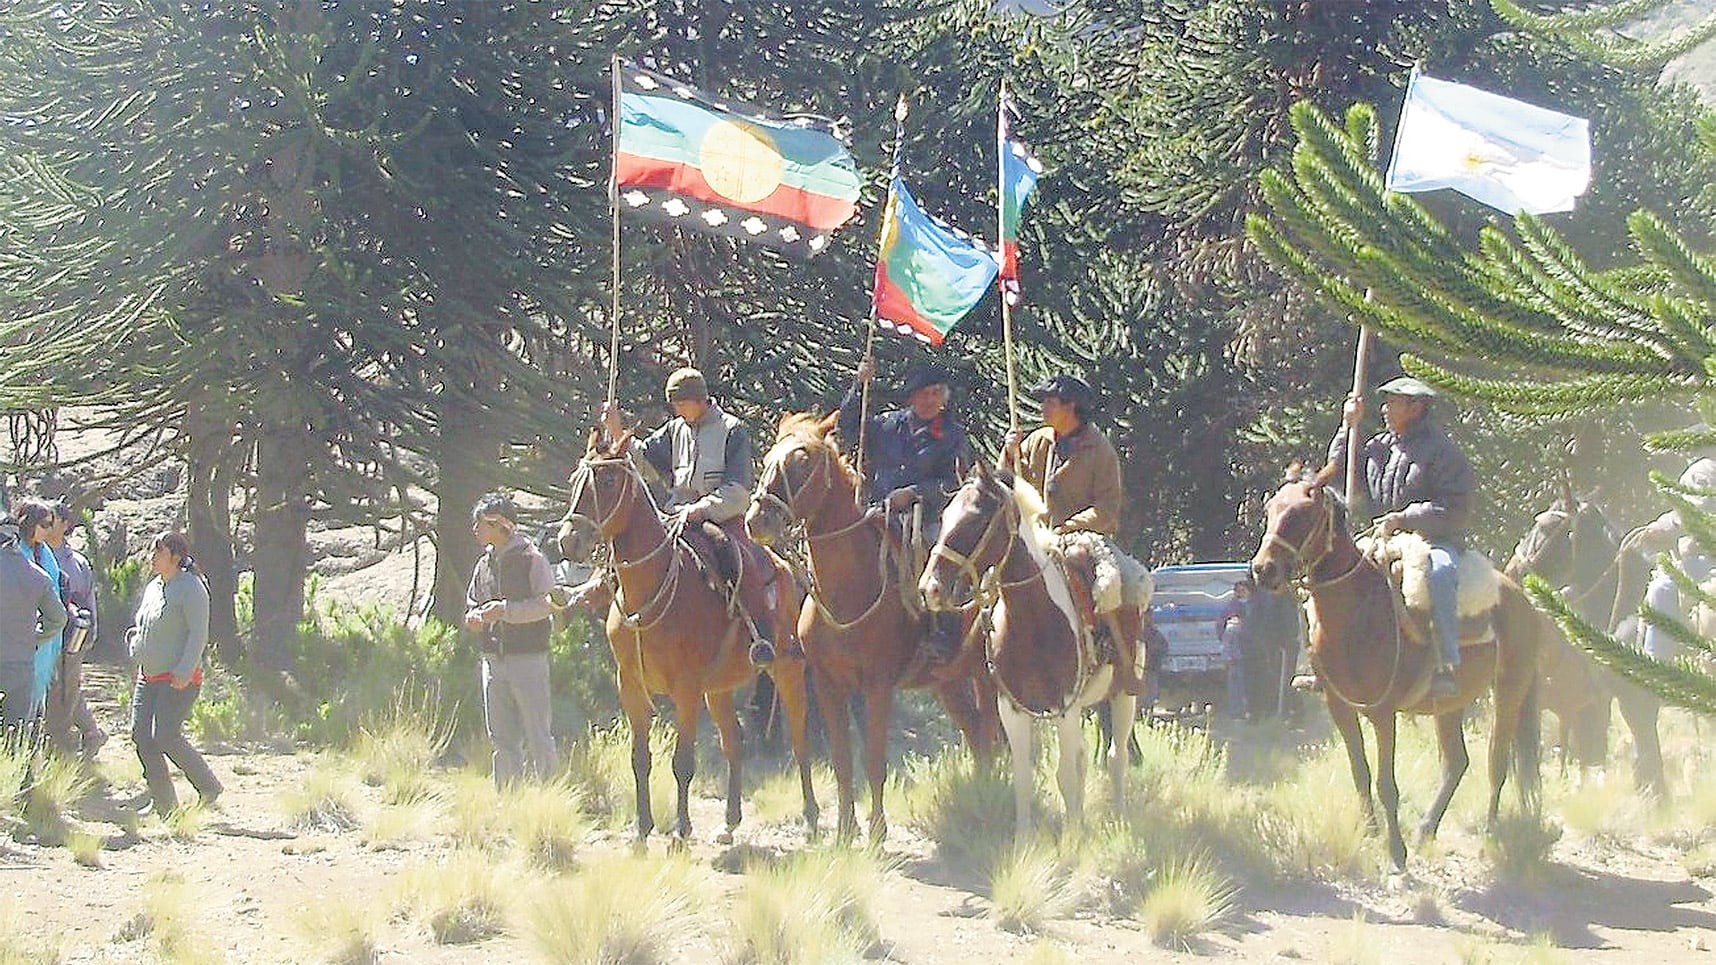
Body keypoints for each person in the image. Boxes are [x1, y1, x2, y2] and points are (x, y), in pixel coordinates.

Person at [601, 367, 778, 664]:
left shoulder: (732, 430)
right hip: (676, 516)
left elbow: (738, 490)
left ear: (699, 399)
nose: (677, 410)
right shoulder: (675, 429)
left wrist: (702, 509)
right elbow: (644, 463)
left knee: (738, 558)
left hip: (721, 517)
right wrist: (618, 431)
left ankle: (760, 636)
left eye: (681, 404)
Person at [1330, 375, 1476, 699]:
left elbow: (1456, 508)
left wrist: (1405, 518)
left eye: (1393, 402)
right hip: (1383, 537)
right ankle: (1328, 661)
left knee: (1439, 572)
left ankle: (1445, 664)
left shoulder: (1443, 452)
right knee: (1333, 572)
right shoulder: (1379, 447)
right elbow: (1339, 470)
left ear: (1416, 407)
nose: (1384, 409)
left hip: (1433, 539)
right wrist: (1347, 428)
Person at [1001, 373, 1145, 694]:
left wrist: (1067, 528)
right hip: (1034, 533)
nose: (1043, 408)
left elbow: (1106, 509)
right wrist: (1009, 453)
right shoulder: (1039, 441)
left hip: (1082, 536)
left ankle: (1121, 657)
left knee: (1123, 582)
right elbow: (1008, 481)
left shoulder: (1101, 450)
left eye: (1050, 402)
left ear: (1072, 407)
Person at [838, 358, 974, 661]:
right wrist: (859, 385)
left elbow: (955, 481)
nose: (930, 400)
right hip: (877, 511)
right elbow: (846, 428)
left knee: (941, 557)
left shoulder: (953, 436)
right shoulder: (886, 425)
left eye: (936, 394)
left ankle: (941, 629)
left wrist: (913, 493)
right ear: (912, 396)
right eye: (924, 394)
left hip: (924, 516)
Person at [464, 492, 559, 787]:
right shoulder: (483, 565)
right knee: (501, 738)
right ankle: (508, 800)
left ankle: (549, 799)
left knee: (537, 734)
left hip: (528, 659)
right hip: (493, 662)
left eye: (481, 524)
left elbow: (548, 604)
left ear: (500, 526)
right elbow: (472, 601)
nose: (476, 530)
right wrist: (474, 618)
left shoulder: (532, 559)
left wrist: (505, 611)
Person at [129, 532, 222, 813]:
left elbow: (198, 634)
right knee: (141, 735)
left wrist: (185, 669)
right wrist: (135, 644)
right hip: (148, 675)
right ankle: (164, 802)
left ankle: (208, 786)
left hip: (178, 678)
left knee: (166, 735)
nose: (153, 557)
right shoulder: (155, 587)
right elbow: (142, 623)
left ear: (176, 557)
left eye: (159, 552)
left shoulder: (192, 588)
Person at [1622, 456, 1716, 661]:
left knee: (1662, 589)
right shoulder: (1701, 469)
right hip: (1699, 557)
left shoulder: (1703, 474)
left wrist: (1674, 530)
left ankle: (1656, 663)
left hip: (1707, 561)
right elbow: (1678, 512)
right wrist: (1659, 526)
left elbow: (1689, 514)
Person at [43, 499, 104, 758]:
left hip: (72, 636)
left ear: (65, 524)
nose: (47, 523)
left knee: (69, 686)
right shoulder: (35, 553)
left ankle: (78, 738)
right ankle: (89, 733)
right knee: (52, 687)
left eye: (52, 519)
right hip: (44, 635)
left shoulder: (77, 562)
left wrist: (91, 633)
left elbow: (88, 598)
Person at [0, 514, 66, 735]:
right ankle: (17, 769)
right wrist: (37, 638)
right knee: (17, 734)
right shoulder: (37, 576)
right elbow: (59, 618)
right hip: (21, 664)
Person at [1218, 579, 1254, 719]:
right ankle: (1236, 711)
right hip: (1235, 656)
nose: (1240, 594)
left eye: (1243, 591)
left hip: (1250, 654)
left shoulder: (1253, 606)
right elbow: (1221, 629)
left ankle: (1247, 709)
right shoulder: (1230, 609)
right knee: (1235, 684)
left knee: (1247, 684)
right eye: (1238, 591)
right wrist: (1227, 655)